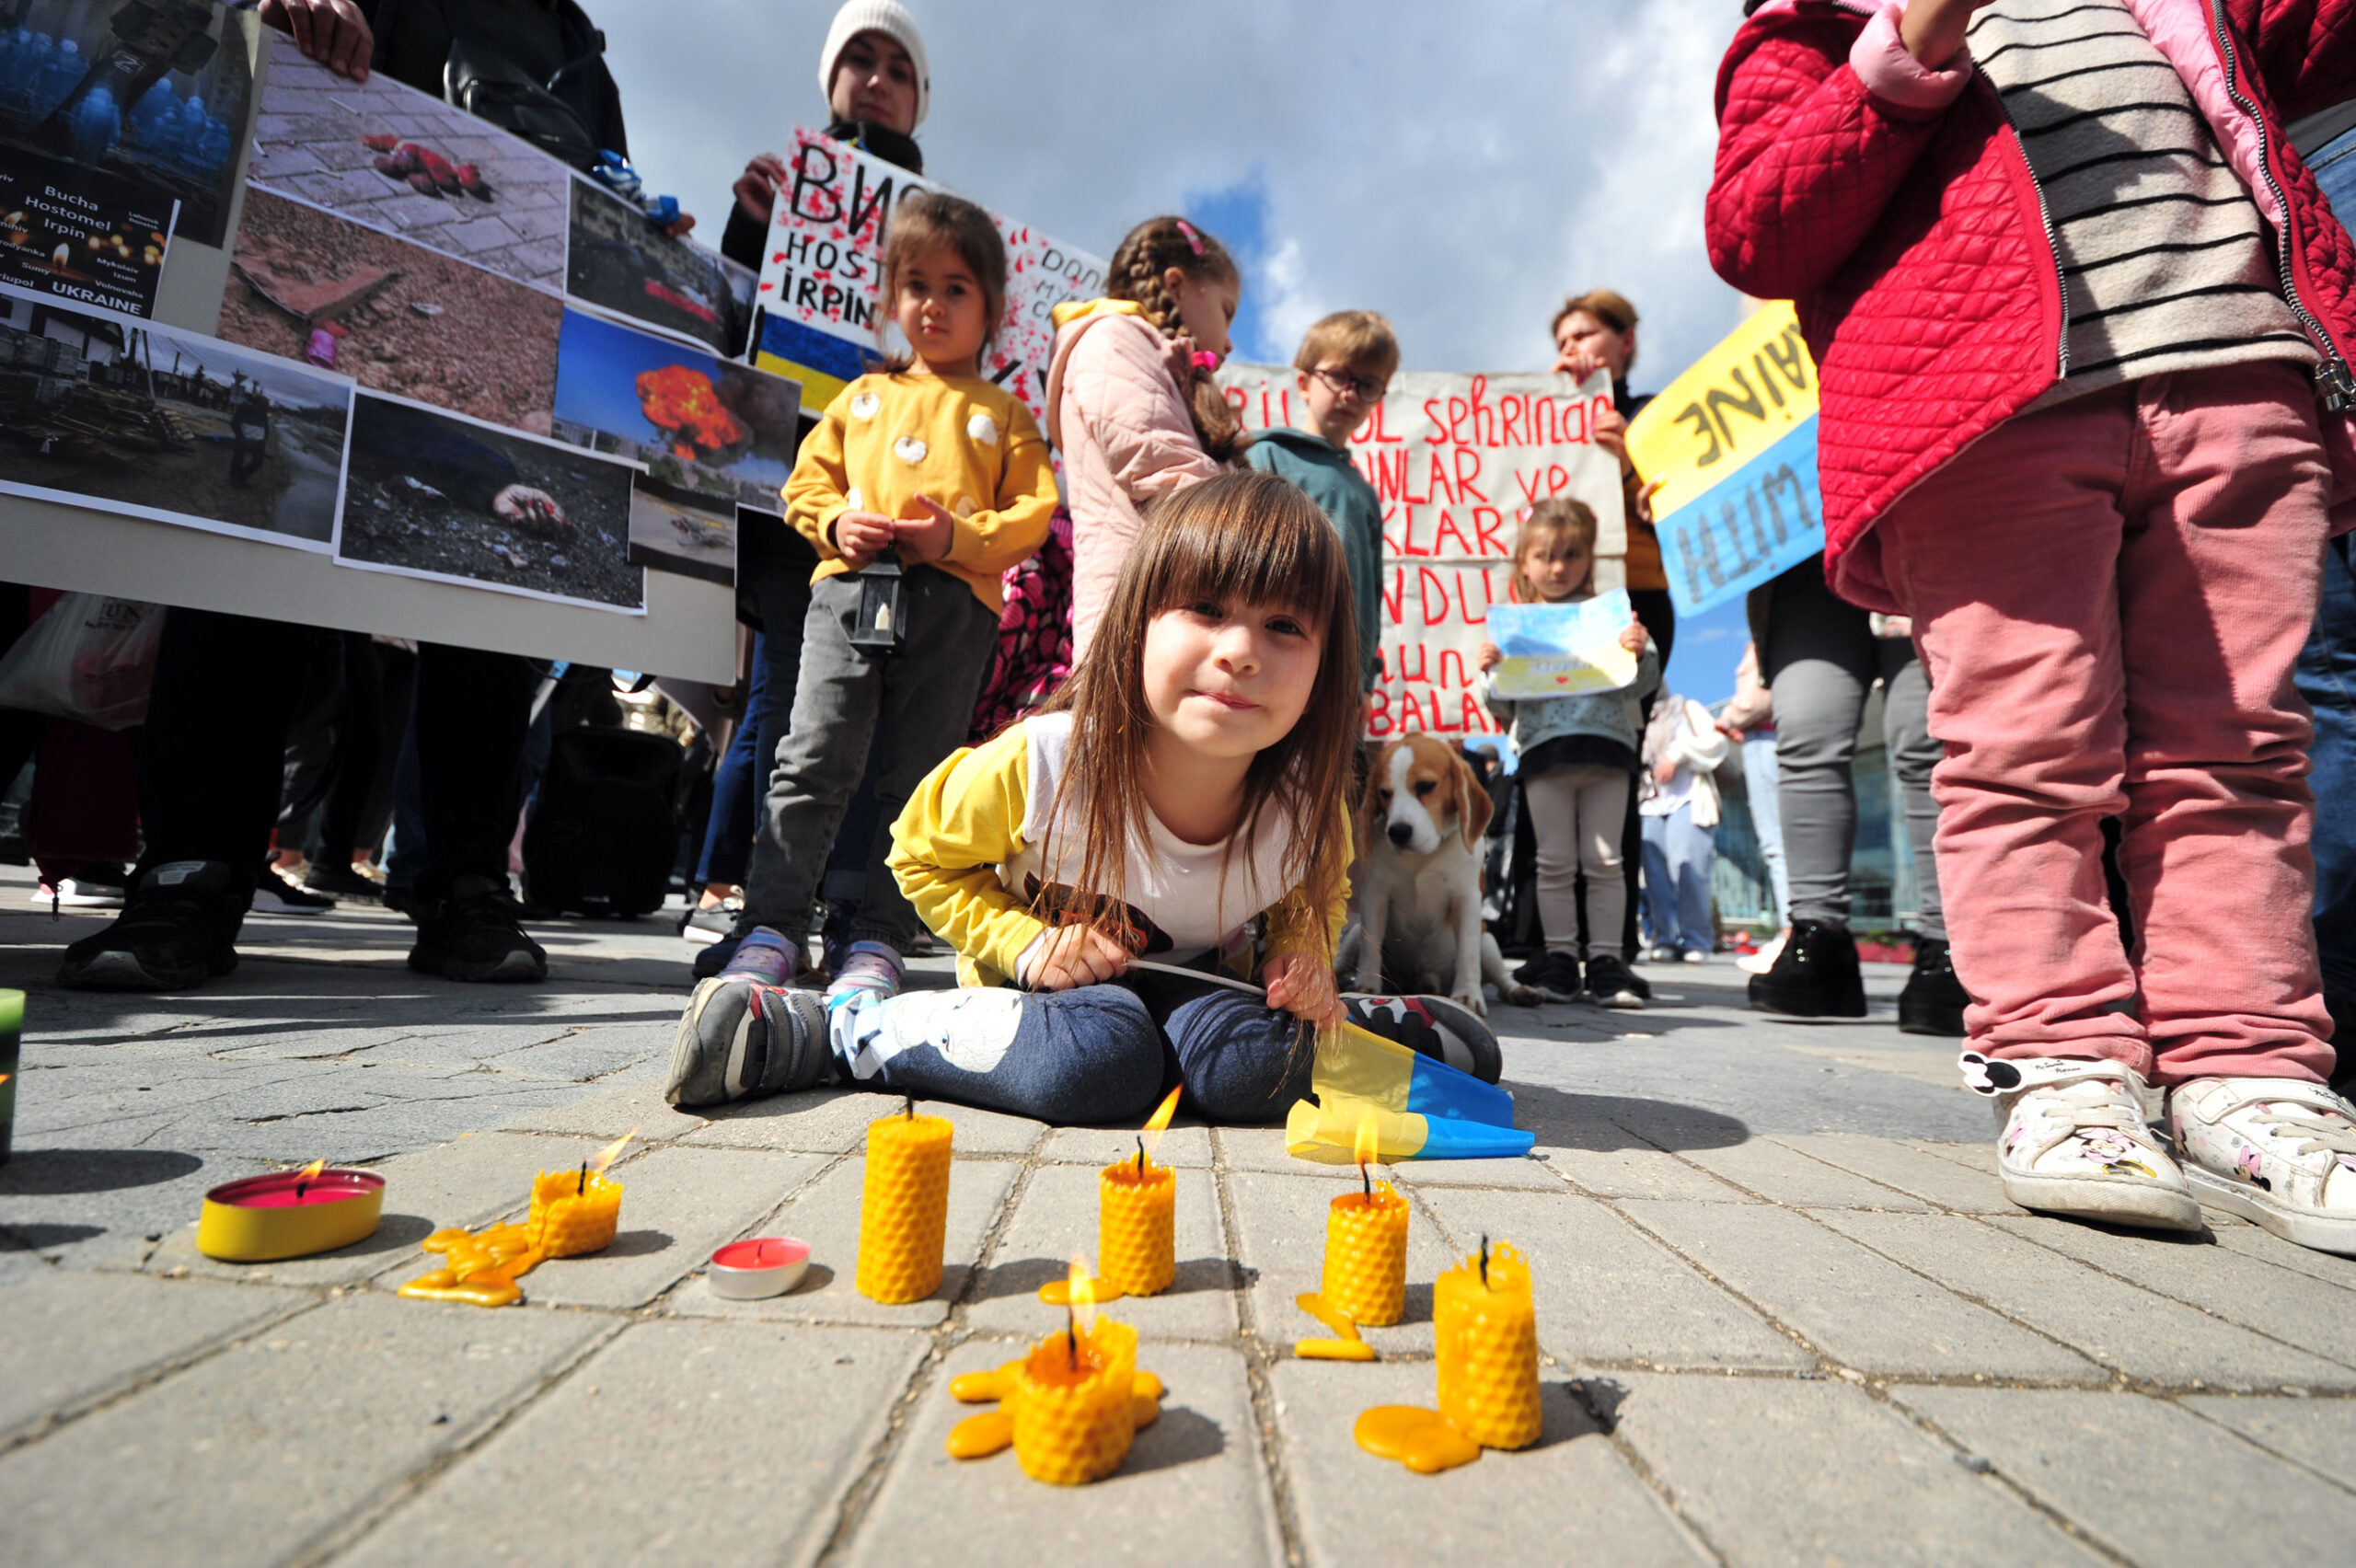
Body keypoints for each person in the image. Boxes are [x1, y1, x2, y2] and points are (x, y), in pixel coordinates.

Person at [1709, 0, 2356, 1250]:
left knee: (2239, 755)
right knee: (2024, 751)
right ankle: (2059, 1063)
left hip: (2240, 379)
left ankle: (2249, 1072)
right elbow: (1757, 227)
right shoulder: (1810, 29)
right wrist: (1910, 44)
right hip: (1988, 410)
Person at [56, 0, 670, 990]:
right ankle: (191, 871)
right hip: (313, 318)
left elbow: (604, 205)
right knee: (251, 555)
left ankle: (466, 881)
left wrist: (649, 237)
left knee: (490, 614)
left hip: (484, 366)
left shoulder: (579, 55)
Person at [664, 471, 1502, 1120]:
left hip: (1205, 993)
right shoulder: (1045, 763)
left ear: (1328, 666)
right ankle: (832, 1034)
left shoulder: (1307, 809)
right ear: (1136, 624)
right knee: (1099, 1064)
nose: (1242, 651)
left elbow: (1312, 896)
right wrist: (1026, 943)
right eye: (1206, 608)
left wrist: (1302, 957)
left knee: (1252, 1074)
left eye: (1285, 626)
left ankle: (1354, 1027)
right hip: (1043, 997)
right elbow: (917, 857)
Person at [683, 190, 1055, 1027]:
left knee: (918, 779)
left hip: (957, 609)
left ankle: (879, 938)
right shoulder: (858, 398)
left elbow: (1032, 514)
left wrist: (956, 535)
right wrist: (835, 524)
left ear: (992, 308)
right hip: (848, 592)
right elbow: (805, 486)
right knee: (811, 754)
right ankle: (770, 925)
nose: (934, 304)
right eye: (917, 285)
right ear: (891, 296)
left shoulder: (1006, 415)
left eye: (956, 287)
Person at [697, 0, 931, 967]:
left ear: (919, 99)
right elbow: (728, 332)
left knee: (866, 697)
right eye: (860, 60)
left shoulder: (937, 229)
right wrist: (750, 229)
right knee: (791, 696)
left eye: (899, 68)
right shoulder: (782, 194)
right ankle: (770, 908)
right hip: (796, 501)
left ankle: (848, 908)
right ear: (831, 79)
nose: (877, 79)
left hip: (891, 504)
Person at [1743, 561, 1961, 1033]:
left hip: (1912, 537)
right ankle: (1816, 938)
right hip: (1807, 553)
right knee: (1806, 736)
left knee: (1926, 741)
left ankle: (1948, 946)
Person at [1475, 500, 1658, 1009]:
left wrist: (1640, 650)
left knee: (1606, 860)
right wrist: (1491, 673)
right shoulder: (1516, 629)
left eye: (1571, 555)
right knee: (1553, 861)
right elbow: (1505, 709)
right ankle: (1559, 958)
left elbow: (1641, 683)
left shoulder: (1610, 619)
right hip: (1544, 754)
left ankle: (1606, 961)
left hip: (1606, 748)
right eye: (1545, 556)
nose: (1558, 567)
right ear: (1525, 562)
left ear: (1589, 559)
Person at [1047, 215, 1246, 663]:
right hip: (1136, 631)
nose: (1231, 342)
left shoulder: (1159, 364)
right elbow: (1164, 470)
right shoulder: (1112, 339)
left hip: (1167, 620)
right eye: (1227, 310)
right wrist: (1263, 542)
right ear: (1176, 285)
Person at [1550, 290, 1666, 989]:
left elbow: (1679, 508)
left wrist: (1627, 459)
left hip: (1637, 602)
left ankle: (1610, 945)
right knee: (1547, 754)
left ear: (1626, 343)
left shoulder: (1656, 417)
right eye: (1561, 340)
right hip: (1558, 612)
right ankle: (1548, 940)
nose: (1571, 350)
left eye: (1585, 334)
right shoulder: (1542, 420)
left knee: (1614, 757)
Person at [1244, 311, 1395, 698]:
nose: (1350, 393)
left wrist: (1364, 681)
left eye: (1367, 385)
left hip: (1343, 682)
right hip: (1277, 663)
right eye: (1339, 376)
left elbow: (1371, 593)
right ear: (1304, 383)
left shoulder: (1363, 491)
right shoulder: (1266, 456)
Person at [1637, 687, 1726, 964]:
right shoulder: (1635, 717)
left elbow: (1716, 744)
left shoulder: (1687, 709)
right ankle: (1666, 938)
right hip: (1648, 804)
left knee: (1689, 869)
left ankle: (1696, 940)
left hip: (1688, 800)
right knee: (1656, 877)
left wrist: (1676, 755)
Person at [1718, 641, 1791, 974]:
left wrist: (1728, 718)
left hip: (1765, 735)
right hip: (1782, 734)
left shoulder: (1767, 633)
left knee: (1777, 843)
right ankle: (1793, 933)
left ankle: (1790, 935)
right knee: (1786, 842)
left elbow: (1755, 699)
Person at [226, 375, 268, 487]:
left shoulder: (263, 414)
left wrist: (264, 439)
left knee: (258, 461)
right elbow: (234, 423)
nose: (265, 406)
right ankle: (234, 479)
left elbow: (266, 427)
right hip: (244, 440)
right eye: (264, 404)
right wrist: (240, 436)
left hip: (258, 442)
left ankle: (239, 477)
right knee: (238, 460)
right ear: (257, 403)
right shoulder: (245, 409)